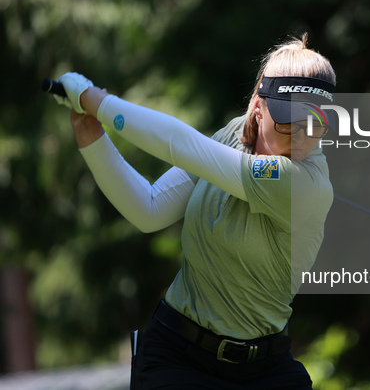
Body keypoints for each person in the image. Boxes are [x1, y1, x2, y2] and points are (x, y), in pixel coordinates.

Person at [54, 33, 336, 389]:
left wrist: (92, 99)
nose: (300, 138)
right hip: (177, 357)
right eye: (287, 121)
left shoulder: (304, 185)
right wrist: (91, 136)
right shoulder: (234, 135)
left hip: (265, 370)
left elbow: (180, 145)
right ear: (259, 104)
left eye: (312, 126)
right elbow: (150, 209)